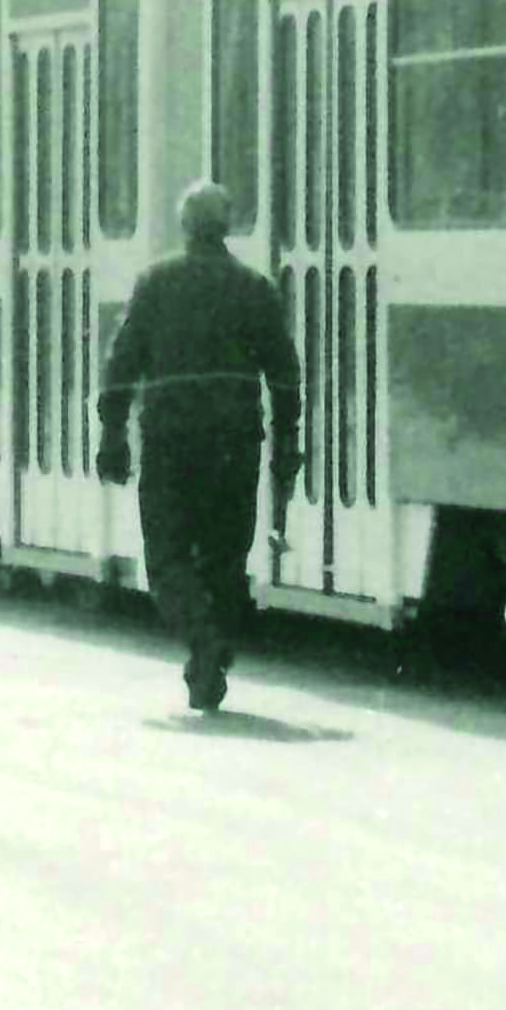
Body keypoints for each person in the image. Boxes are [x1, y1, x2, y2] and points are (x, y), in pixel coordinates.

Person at [96, 179, 304, 713]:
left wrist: (112, 432)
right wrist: (287, 444)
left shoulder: (155, 283)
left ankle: (203, 641)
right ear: (227, 227)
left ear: (185, 227)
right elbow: (284, 374)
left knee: (166, 557)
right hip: (237, 443)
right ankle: (212, 644)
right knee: (225, 556)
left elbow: (120, 365)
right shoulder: (254, 288)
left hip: (170, 442)